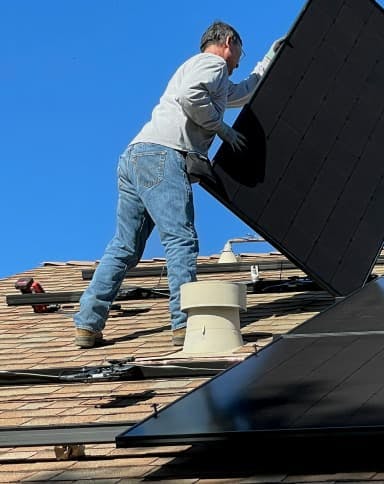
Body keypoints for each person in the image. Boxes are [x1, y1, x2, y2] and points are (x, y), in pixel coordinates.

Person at [73, 21, 284, 348]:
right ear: (229, 42)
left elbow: (241, 94)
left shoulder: (202, 70)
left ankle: (87, 323)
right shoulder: (212, 64)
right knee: (180, 239)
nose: (240, 59)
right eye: (241, 51)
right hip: (163, 155)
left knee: (124, 247)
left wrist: (269, 59)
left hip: (135, 156)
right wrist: (222, 129)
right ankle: (184, 325)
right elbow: (191, 97)